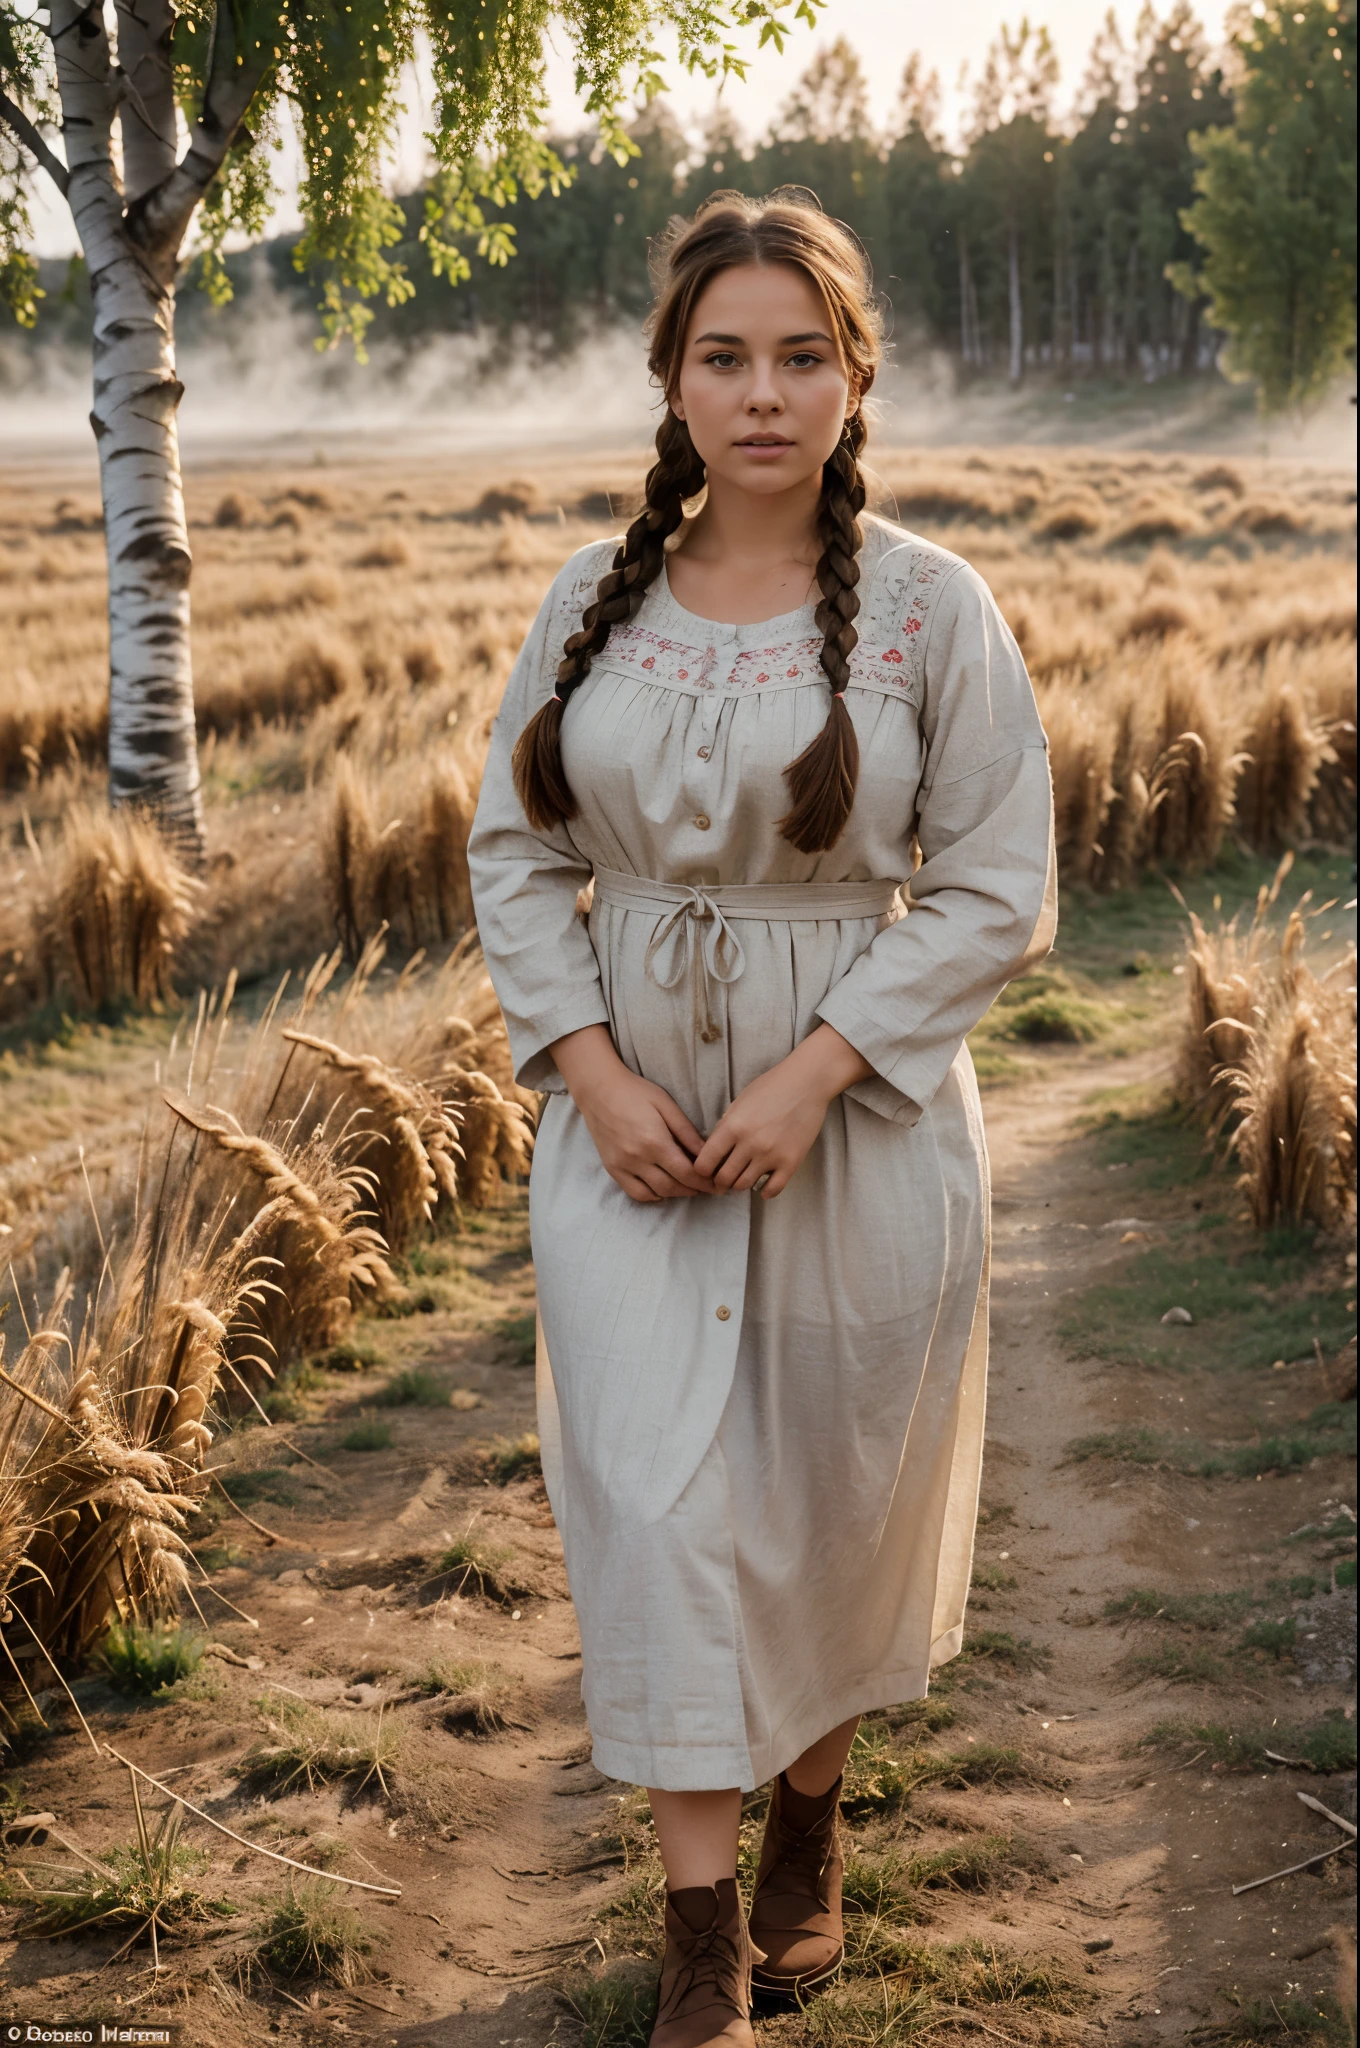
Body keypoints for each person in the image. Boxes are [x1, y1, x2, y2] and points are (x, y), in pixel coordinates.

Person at [467, 189, 1056, 2048]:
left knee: (820, 1501)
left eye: (802, 355)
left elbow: (994, 884)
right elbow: (512, 847)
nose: (764, 392)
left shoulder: (934, 610)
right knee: (652, 1505)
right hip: (627, 1145)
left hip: (859, 1135)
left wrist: (816, 1074)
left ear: (854, 374)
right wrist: (591, 1073)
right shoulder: (588, 600)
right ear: (671, 379)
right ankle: (699, 1936)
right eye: (724, 355)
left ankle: (811, 1810)